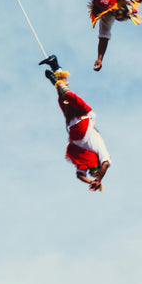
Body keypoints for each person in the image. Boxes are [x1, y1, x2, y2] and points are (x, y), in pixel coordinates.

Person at [40, 54, 111, 191]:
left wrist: (90, 181)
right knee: (67, 94)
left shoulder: (84, 158)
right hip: (83, 117)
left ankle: (55, 65)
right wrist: (98, 179)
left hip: (73, 123)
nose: (90, 169)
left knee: (62, 97)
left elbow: (79, 175)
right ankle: (55, 76)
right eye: (93, 169)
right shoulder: (99, 150)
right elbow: (106, 164)